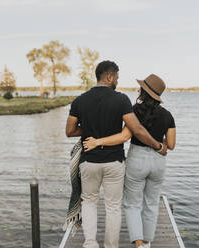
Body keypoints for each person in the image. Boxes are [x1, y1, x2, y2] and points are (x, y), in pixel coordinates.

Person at [65, 61, 167, 248]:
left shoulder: (80, 100)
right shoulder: (121, 100)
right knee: (113, 207)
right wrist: (158, 146)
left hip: (89, 161)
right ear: (109, 77)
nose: (117, 82)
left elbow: (70, 131)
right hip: (114, 162)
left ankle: (90, 243)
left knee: (89, 202)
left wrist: (88, 129)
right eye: (117, 78)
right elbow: (136, 129)